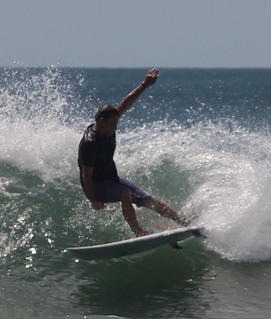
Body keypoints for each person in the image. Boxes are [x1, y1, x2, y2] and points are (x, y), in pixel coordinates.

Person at [78, 68, 188, 237]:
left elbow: (125, 103)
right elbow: (86, 176)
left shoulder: (108, 124)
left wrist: (144, 85)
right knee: (125, 193)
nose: (116, 127)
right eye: (114, 124)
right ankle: (139, 232)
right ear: (102, 121)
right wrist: (94, 199)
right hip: (96, 186)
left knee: (147, 199)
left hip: (112, 179)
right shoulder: (90, 143)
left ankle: (182, 221)